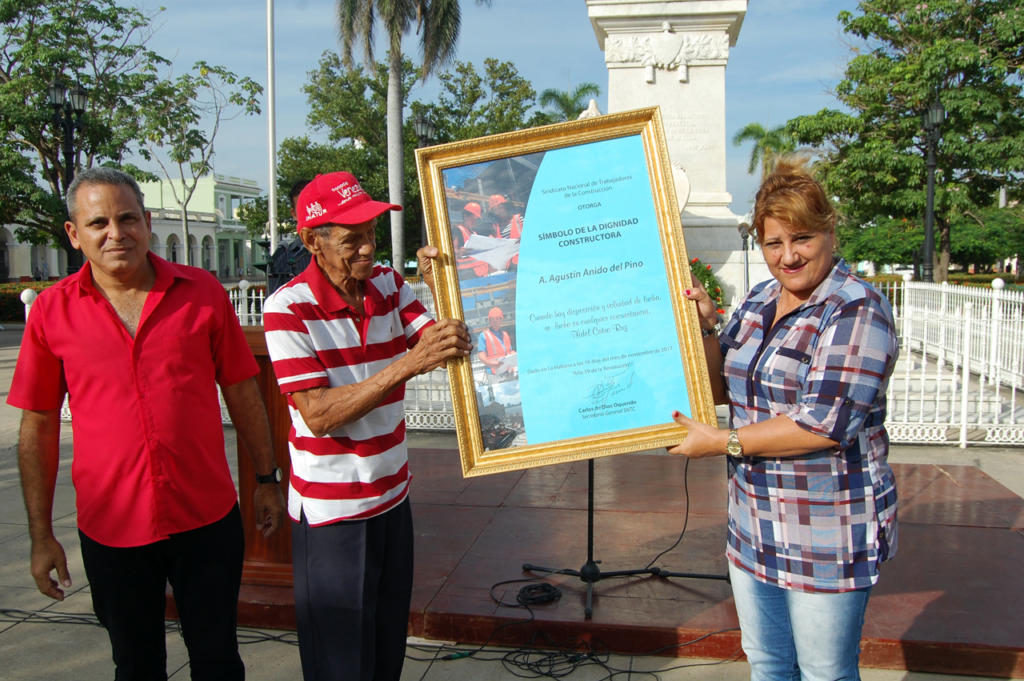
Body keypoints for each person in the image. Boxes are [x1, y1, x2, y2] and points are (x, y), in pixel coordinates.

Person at [8, 167, 286, 680]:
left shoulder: (201, 293)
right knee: (135, 665)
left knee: (219, 659)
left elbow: (243, 391)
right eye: (98, 223)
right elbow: (38, 426)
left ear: (148, 222)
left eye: (127, 218)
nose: (116, 233)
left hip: (205, 520)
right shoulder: (52, 312)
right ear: (74, 234)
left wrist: (267, 480)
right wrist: (41, 533)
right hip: (112, 528)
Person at [669, 158, 899, 681]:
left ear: (829, 230)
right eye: (774, 243)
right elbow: (720, 387)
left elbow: (822, 424)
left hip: (827, 528)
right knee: (770, 665)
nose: (788, 256)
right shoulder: (757, 300)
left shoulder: (856, 309)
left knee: (824, 673)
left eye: (802, 238)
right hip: (753, 524)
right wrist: (704, 329)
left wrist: (722, 442)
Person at [261, 171, 472, 681]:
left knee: (383, 646)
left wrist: (445, 279)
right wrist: (406, 364)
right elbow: (319, 413)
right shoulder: (287, 309)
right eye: (352, 238)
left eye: (372, 234)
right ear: (314, 241)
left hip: (392, 496)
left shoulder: (388, 284)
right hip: (334, 512)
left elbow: (440, 339)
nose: (366, 249)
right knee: (341, 660)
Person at [477, 306, 514, 376]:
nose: (495, 321)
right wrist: (493, 364)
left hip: (508, 370)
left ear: (501, 320)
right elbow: (481, 356)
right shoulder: (484, 335)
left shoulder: (505, 334)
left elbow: (510, 351)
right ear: (489, 320)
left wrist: (515, 355)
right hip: (494, 373)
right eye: (492, 319)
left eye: (497, 318)